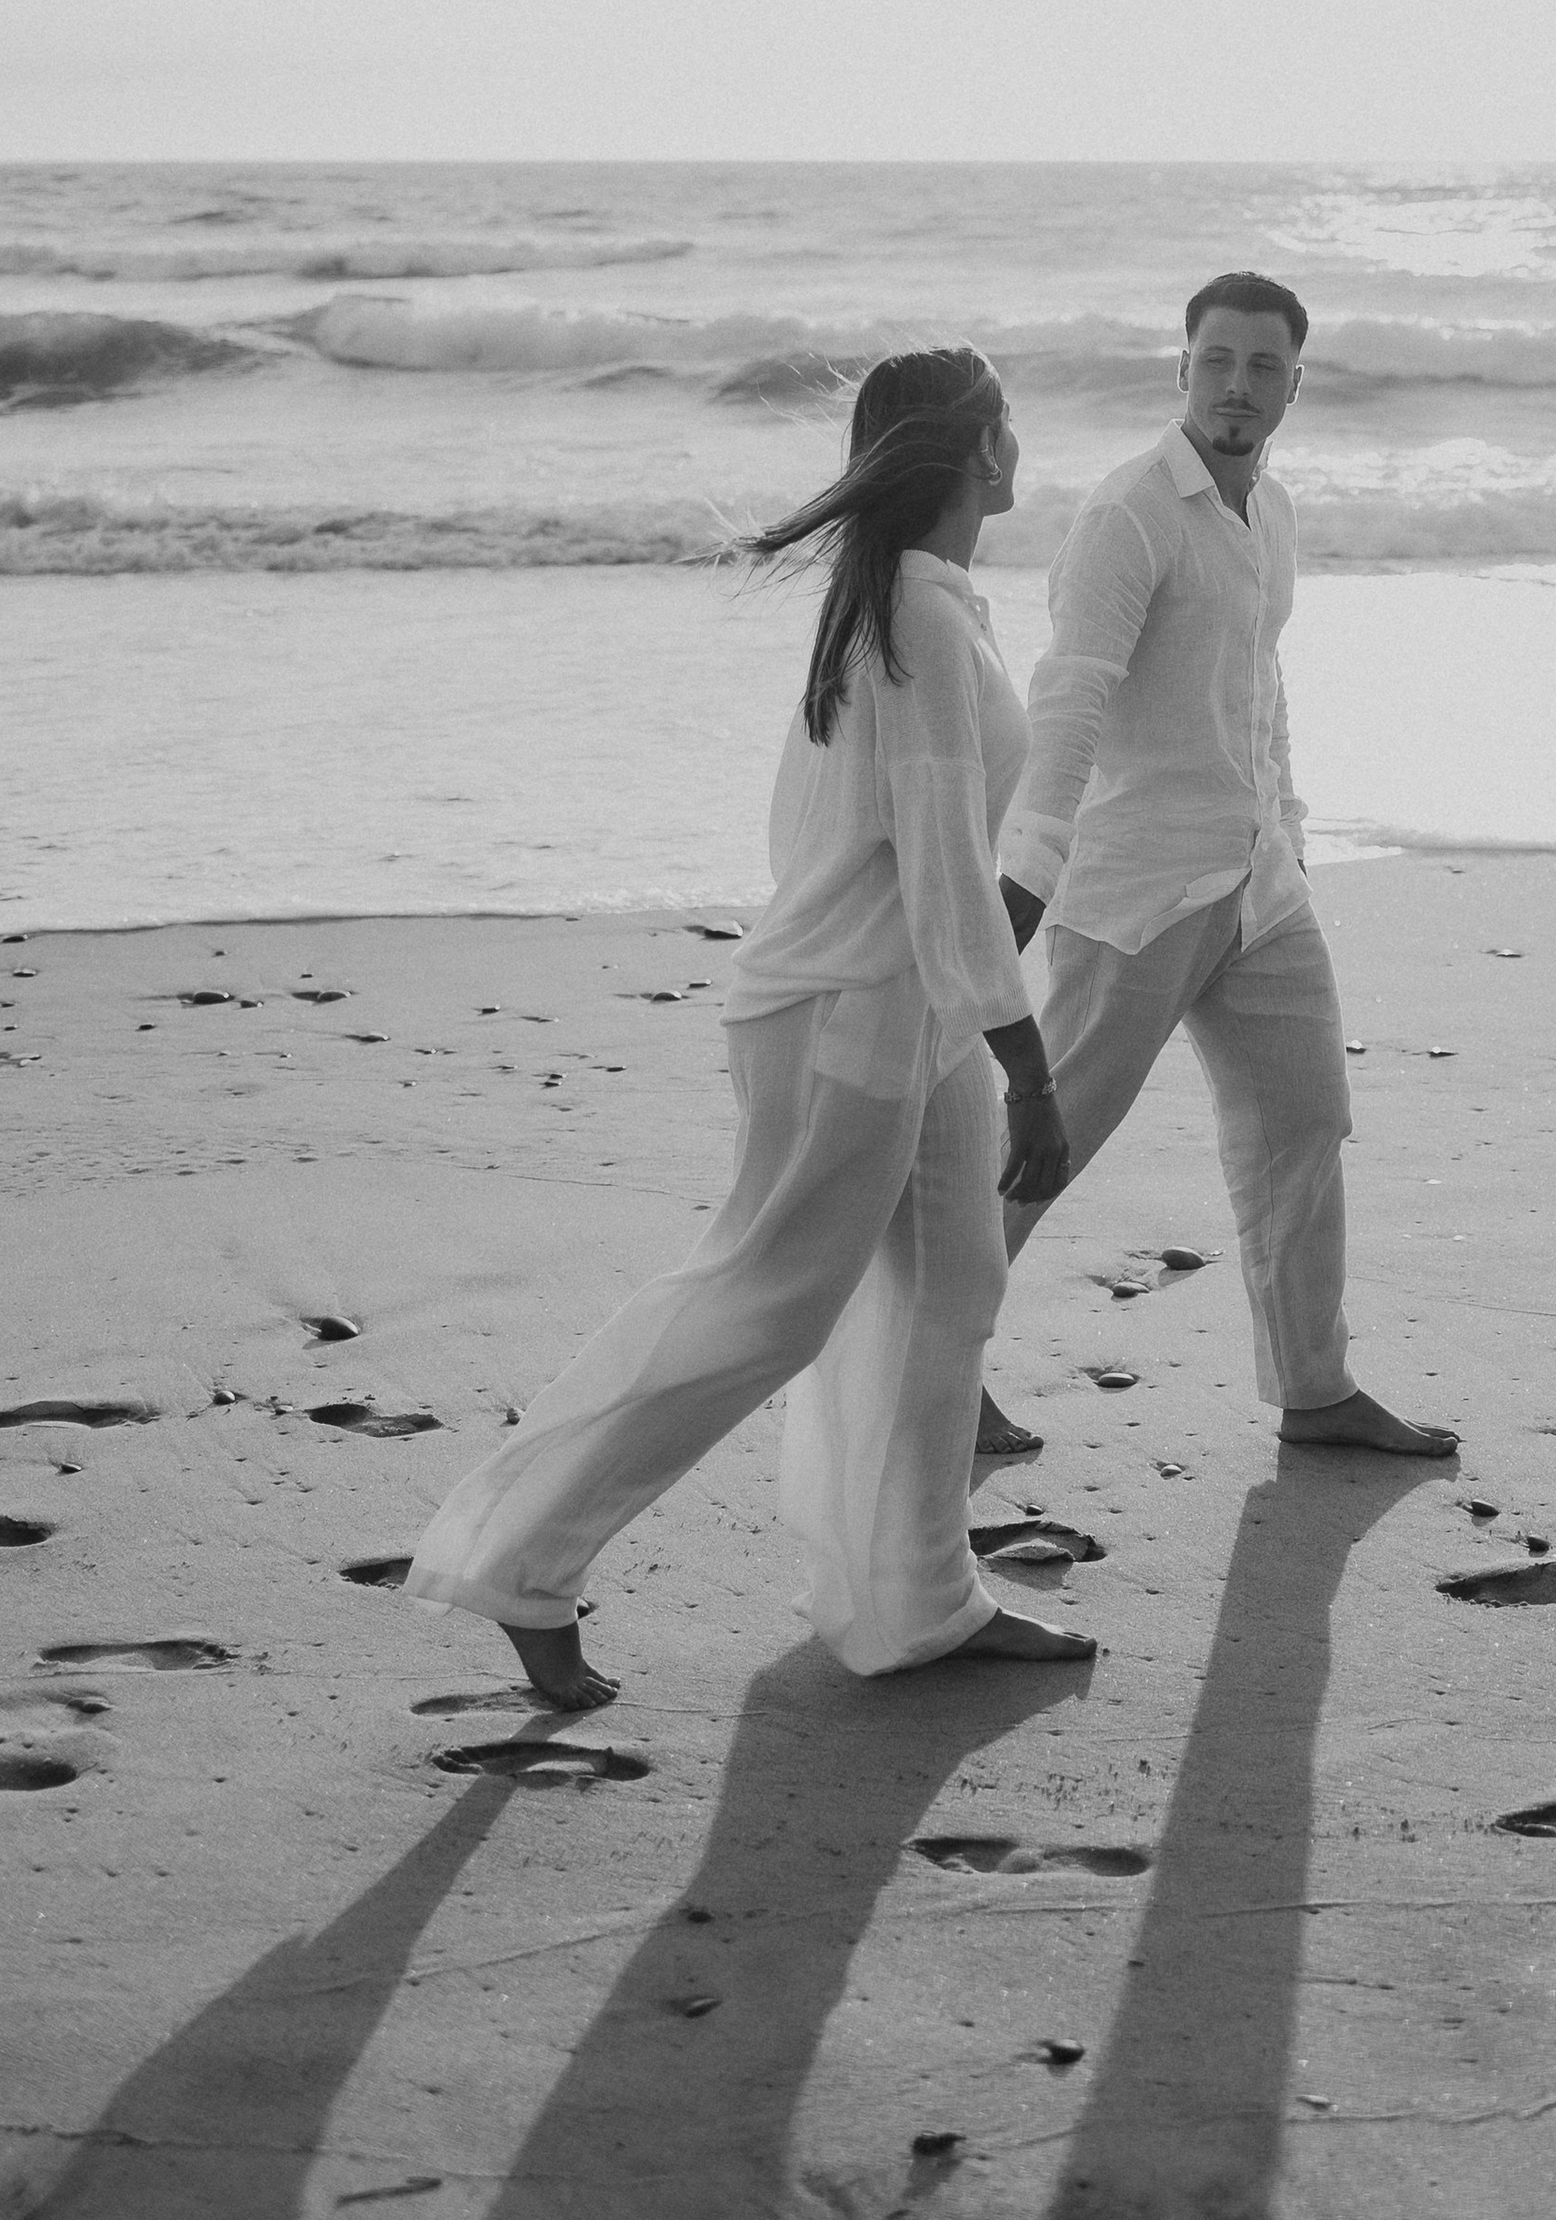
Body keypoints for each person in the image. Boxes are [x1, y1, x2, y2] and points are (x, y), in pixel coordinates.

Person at [403, 347, 1094, 1711]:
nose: (1023, 451)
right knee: (764, 1303)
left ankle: (915, 1599)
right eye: (1009, 430)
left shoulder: (922, 603)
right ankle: (519, 1565)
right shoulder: (920, 622)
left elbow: (848, 841)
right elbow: (947, 868)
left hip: (901, 1009)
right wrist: (1033, 1070)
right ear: (976, 452)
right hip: (851, 1018)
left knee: (954, 1286)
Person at [979, 270, 1454, 1462]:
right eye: (1215, 363)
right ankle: (926, 1368)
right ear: (1179, 372)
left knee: (1304, 1119)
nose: (1237, 386)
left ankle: (1313, 1387)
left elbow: (1262, 682)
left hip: (1259, 888)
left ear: (1295, 380)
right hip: (1134, 892)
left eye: (1262, 366)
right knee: (1047, 1146)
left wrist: (1288, 824)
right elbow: (1072, 691)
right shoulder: (1130, 514)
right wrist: (1029, 863)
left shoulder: (1271, 511)